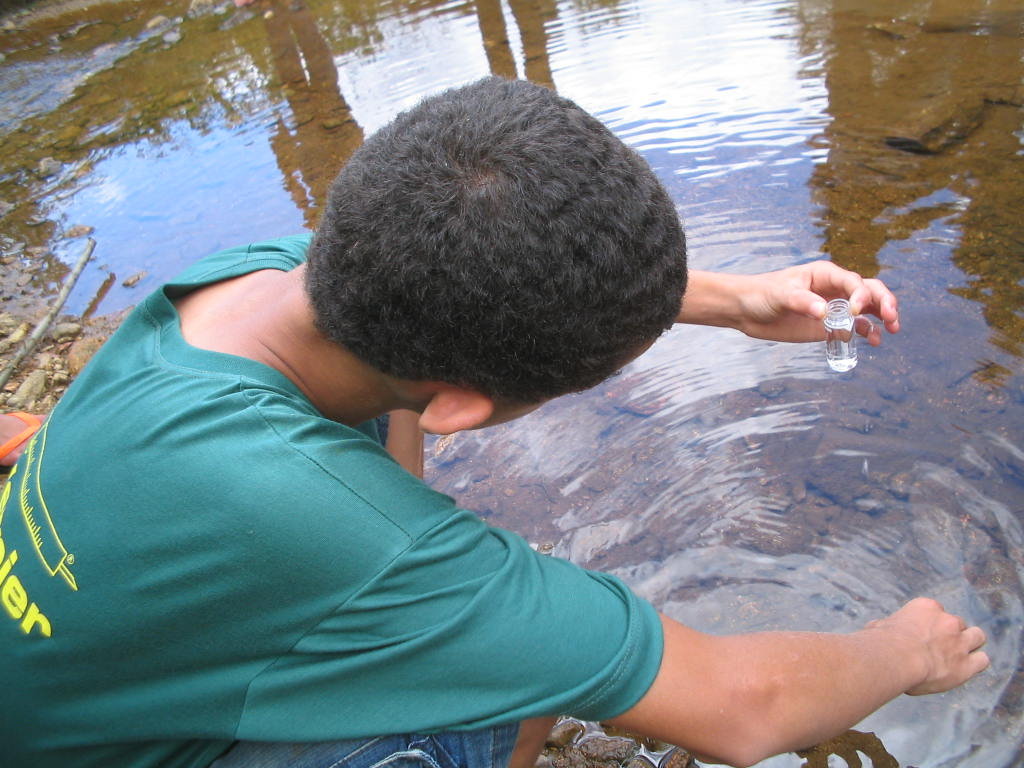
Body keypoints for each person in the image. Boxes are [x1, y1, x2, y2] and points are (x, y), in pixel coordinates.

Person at [0, 77, 987, 768]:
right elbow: (741, 707)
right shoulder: (352, 539)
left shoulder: (266, 274)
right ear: (465, 408)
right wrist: (906, 650)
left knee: (452, 559)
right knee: (516, 675)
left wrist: (733, 301)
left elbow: (471, 274)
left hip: (84, 694)